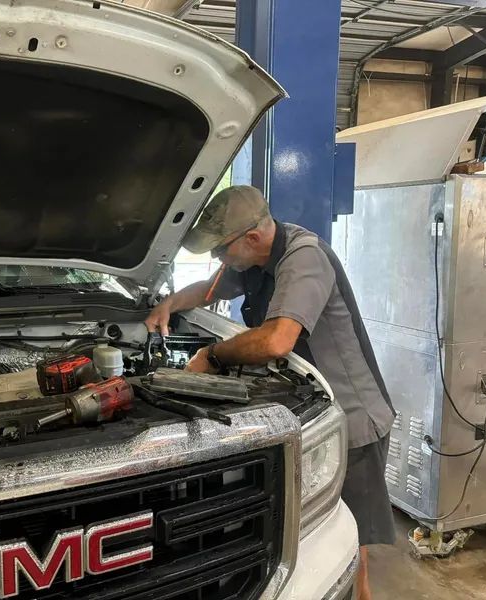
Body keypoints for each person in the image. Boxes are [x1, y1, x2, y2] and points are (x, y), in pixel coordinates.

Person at [145, 185, 395, 600]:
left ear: (253, 238)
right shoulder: (255, 257)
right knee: (305, 533)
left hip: (350, 422)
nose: (217, 260)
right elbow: (210, 288)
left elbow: (277, 341)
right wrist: (169, 304)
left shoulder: (304, 257)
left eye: (220, 251)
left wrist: (212, 354)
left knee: (347, 543)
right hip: (306, 412)